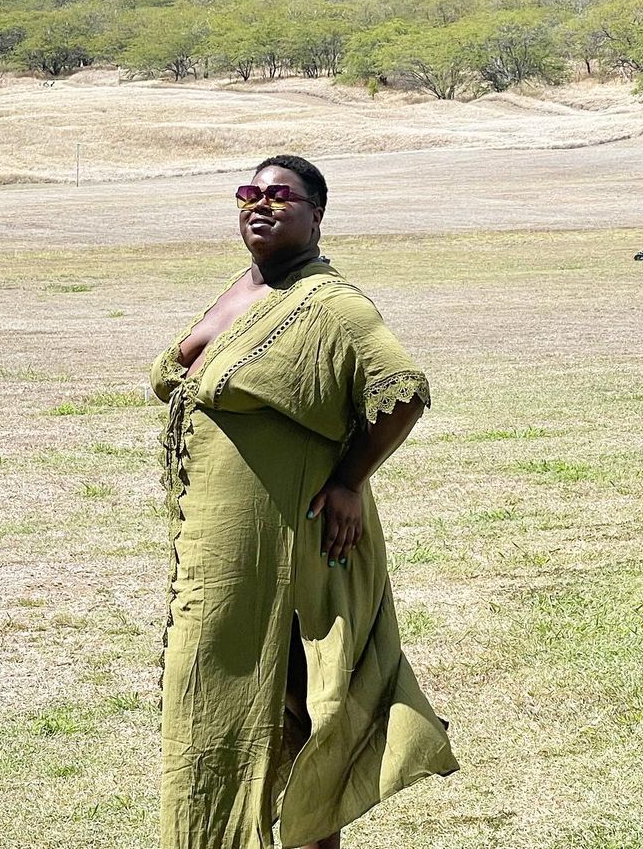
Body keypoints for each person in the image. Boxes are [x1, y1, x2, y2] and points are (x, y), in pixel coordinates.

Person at [150, 154, 458, 849]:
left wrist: (349, 481)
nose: (259, 204)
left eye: (280, 195)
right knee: (223, 697)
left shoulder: (331, 304)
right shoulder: (247, 288)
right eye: (249, 193)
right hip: (222, 550)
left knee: (306, 708)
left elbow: (402, 390)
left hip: (287, 545)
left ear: (316, 214)